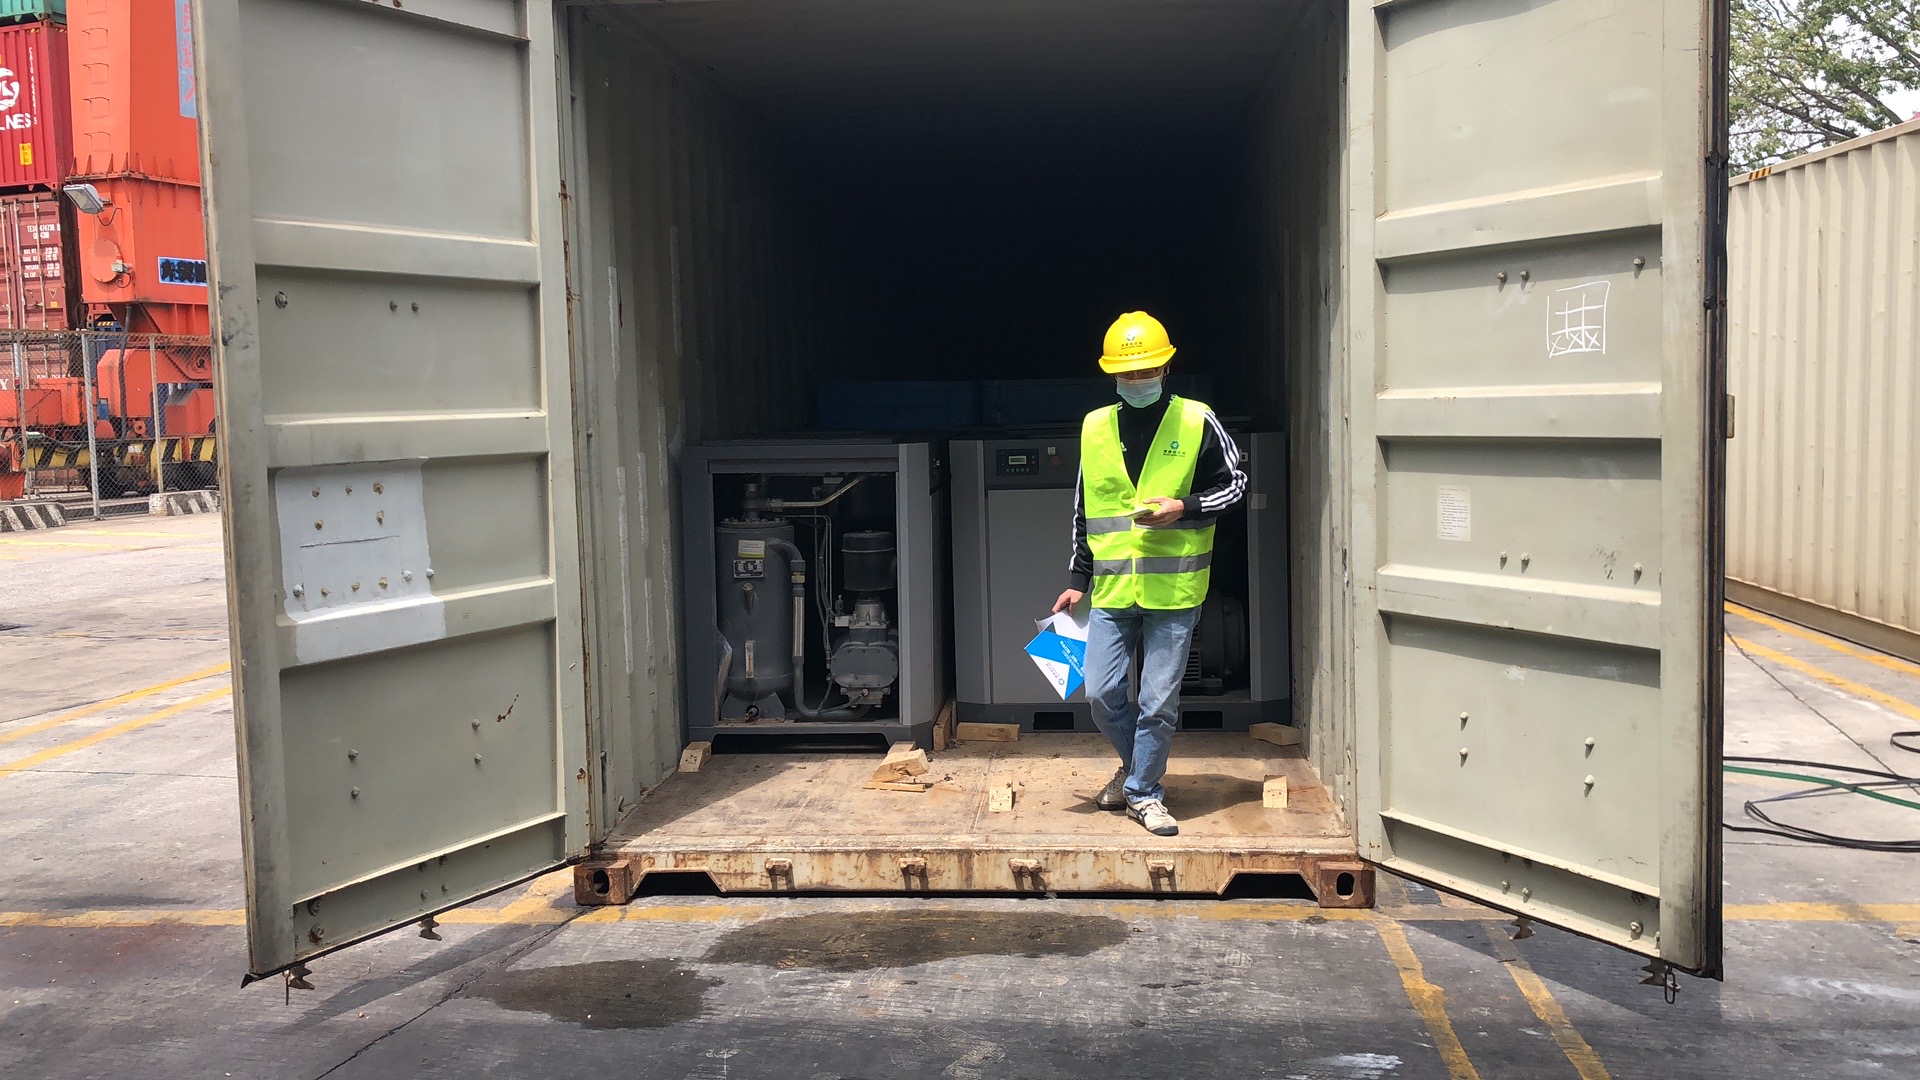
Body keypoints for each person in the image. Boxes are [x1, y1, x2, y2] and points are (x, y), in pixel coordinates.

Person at [1052, 311, 1245, 837]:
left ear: (1165, 368)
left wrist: (1184, 506)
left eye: (1146, 371)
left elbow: (1236, 484)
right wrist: (1077, 579)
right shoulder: (1095, 427)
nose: (1137, 380)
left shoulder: (1197, 419)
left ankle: (1142, 792)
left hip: (1175, 589)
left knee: (1158, 703)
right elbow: (1085, 509)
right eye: (1127, 373)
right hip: (1114, 587)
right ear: (1114, 375)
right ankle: (1138, 768)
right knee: (1099, 692)